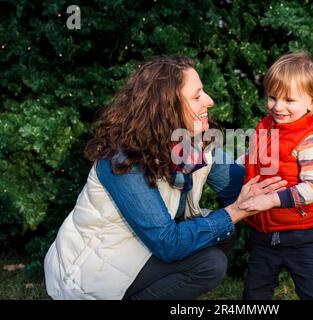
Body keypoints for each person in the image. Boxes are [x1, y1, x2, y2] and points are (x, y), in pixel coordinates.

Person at [43, 55, 290, 300]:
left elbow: (243, 185)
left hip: (140, 253)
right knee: (210, 261)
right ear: (166, 107)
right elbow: (167, 243)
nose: (210, 101)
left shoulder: (194, 143)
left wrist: (300, 171)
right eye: (196, 96)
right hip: (91, 275)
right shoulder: (122, 160)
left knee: (223, 233)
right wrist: (235, 212)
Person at [238, 52, 313, 300]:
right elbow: (254, 159)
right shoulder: (267, 125)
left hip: (302, 233)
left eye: (289, 100)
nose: (278, 106)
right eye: (272, 97)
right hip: (264, 232)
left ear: (312, 103)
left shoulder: (312, 138)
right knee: (254, 293)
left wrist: (271, 199)